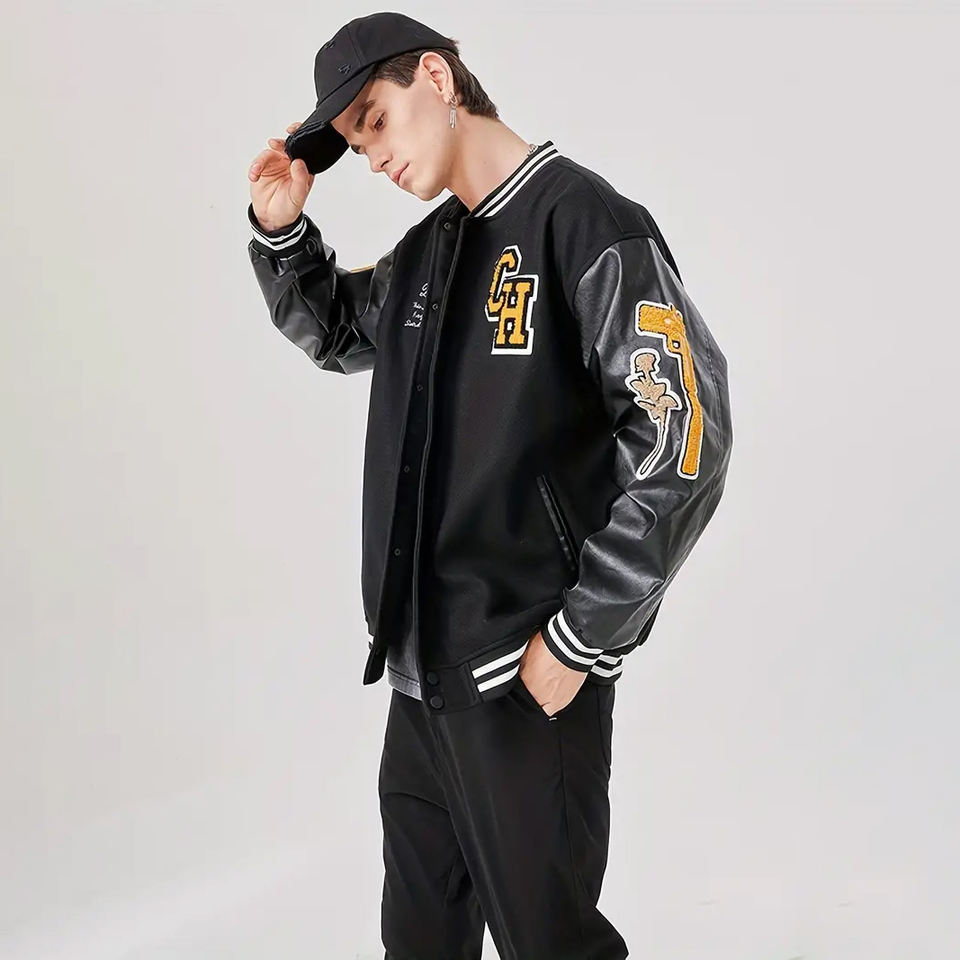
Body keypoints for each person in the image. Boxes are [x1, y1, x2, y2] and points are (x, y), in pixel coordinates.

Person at [246, 12, 733, 959]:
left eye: (375, 122)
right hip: (419, 686)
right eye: (354, 145)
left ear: (437, 78)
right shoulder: (428, 254)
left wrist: (581, 636)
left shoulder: (586, 224)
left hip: (525, 680)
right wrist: (282, 231)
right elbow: (339, 331)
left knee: (550, 946)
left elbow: (686, 440)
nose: (373, 157)